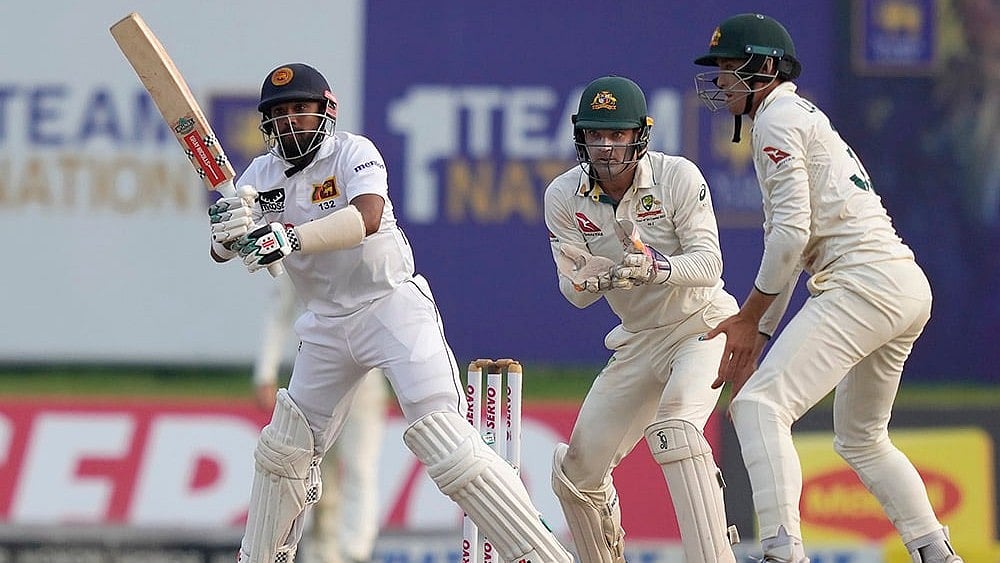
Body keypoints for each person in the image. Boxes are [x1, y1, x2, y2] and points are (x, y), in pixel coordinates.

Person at [207, 63, 572, 563]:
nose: (291, 121)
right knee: (284, 451)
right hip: (325, 326)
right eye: (280, 113)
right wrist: (227, 240)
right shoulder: (260, 177)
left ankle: (541, 553)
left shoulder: (354, 152)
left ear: (326, 111)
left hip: (390, 306)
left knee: (446, 440)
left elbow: (366, 218)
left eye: (300, 109)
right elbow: (229, 244)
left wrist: (287, 237)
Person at [693, 13, 964, 563]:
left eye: (729, 67)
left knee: (759, 406)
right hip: (902, 284)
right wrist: (761, 330)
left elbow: (791, 237)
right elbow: (793, 243)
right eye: (718, 68)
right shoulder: (794, 114)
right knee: (862, 439)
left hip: (862, 282)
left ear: (765, 68)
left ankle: (781, 551)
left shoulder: (775, 118)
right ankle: (937, 552)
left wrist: (748, 320)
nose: (721, 80)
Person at [543, 75, 741, 563]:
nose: (606, 147)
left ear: (640, 135)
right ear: (580, 136)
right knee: (576, 474)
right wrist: (595, 280)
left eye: (617, 135)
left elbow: (710, 265)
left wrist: (658, 266)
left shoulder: (678, 177)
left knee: (676, 429)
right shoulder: (563, 196)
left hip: (701, 326)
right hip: (638, 340)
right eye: (595, 134)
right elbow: (573, 294)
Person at [252, 275, 387, 563]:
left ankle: (355, 553)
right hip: (317, 377)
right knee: (312, 470)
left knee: (359, 466)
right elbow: (280, 310)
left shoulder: (363, 248)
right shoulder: (301, 248)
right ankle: (319, 552)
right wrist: (265, 371)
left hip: (364, 378)